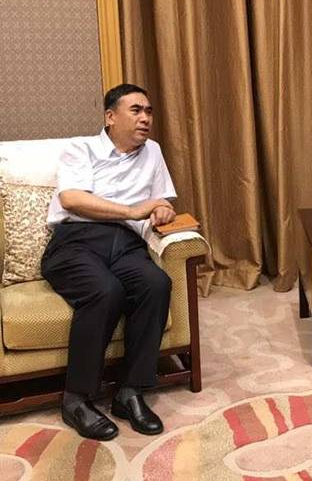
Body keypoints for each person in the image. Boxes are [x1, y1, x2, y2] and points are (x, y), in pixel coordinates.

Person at [41, 83, 178, 440]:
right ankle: (76, 399)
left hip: (127, 244)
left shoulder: (153, 152)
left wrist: (162, 209)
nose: (145, 118)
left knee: (156, 284)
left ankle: (130, 392)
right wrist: (132, 211)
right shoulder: (81, 148)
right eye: (136, 110)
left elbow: (161, 200)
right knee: (106, 291)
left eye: (149, 111)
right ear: (110, 116)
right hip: (76, 242)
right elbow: (72, 199)